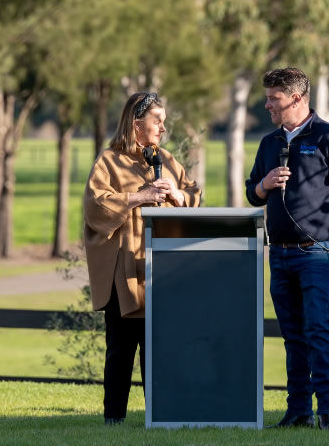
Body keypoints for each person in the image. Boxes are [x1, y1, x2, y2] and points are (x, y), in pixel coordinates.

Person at [245, 68, 329, 430]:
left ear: (296, 99)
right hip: (279, 254)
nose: (267, 105)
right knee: (292, 334)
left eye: (274, 99)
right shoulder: (270, 144)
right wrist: (264, 185)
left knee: (317, 328)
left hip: (317, 252)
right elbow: (251, 191)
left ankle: (327, 410)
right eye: (267, 97)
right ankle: (298, 409)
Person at [83, 92, 201, 425]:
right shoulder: (108, 160)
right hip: (124, 274)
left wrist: (178, 195)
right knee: (120, 351)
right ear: (137, 124)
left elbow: (194, 193)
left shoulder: (165, 158)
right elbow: (96, 206)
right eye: (157, 120)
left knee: (159, 353)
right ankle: (114, 419)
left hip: (163, 273)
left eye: (163, 120)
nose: (163, 127)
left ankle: (160, 416)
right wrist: (141, 196)